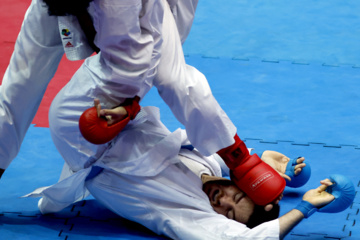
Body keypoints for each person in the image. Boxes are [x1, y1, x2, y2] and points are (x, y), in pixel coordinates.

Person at [26, 103, 335, 240]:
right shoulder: (212, 164)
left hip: (86, 143)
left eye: (227, 214)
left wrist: (306, 207)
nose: (222, 204)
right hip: (120, 115)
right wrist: (267, 173)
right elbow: (218, 144)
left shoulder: (188, 214)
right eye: (237, 197)